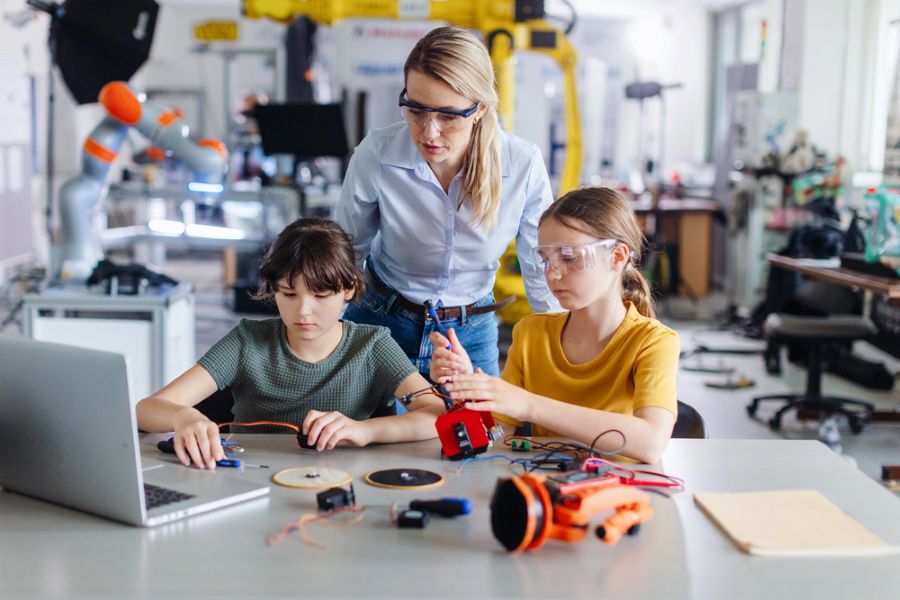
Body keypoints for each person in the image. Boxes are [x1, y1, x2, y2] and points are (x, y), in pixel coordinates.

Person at [337, 26, 559, 379]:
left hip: (470, 333)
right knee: (369, 432)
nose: (429, 132)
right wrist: (321, 332)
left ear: (480, 109)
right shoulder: (377, 154)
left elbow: (540, 267)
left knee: (481, 434)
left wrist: (557, 349)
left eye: (447, 115)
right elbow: (347, 251)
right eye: (416, 110)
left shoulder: (522, 165)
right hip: (379, 323)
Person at [136, 218, 444, 469]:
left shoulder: (373, 346)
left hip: (341, 486)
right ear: (273, 290)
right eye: (288, 294)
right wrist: (183, 416)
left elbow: (435, 413)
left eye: (321, 296)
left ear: (349, 289)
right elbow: (146, 409)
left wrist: (364, 431)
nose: (303, 311)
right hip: (248, 484)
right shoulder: (247, 341)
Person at [429, 187, 680, 464]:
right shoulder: (531, 333)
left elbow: (650, 442)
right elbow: (497, 437)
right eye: (545, 259)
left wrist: (529, 405)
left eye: (569, 257)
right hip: (544, 489)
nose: (552, 273)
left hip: (620, 495)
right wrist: (469, 389)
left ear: (618, 256)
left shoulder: (654, 341)